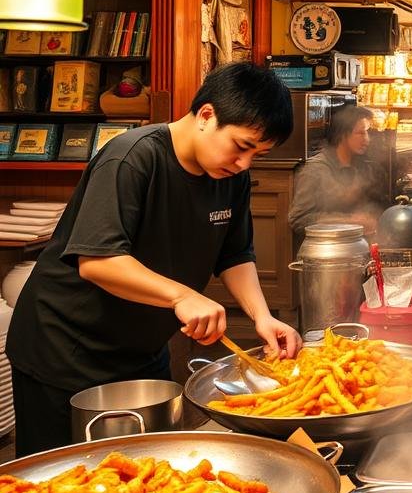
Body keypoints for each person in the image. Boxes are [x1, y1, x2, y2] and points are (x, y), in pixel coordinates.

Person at [7, 62, 303, 456]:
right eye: (242, 146)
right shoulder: (133, 157)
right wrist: (182, 296)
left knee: (147, 468)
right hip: (65, 349)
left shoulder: (232, 177)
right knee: (58, 477)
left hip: (142, 350)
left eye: (257, 154)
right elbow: (98, 261)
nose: (244, 163)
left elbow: (235, 254)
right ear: (207, 115)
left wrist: (261, 317)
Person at [288, 105, 384, 235]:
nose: (367, 139)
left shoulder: (362, 166)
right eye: (360, 133)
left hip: (355, 241)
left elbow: (370, 207)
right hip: (325, 245)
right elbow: (298, 220)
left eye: (367, 133)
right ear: (343, 134)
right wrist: (349, 221)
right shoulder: (315, 169)